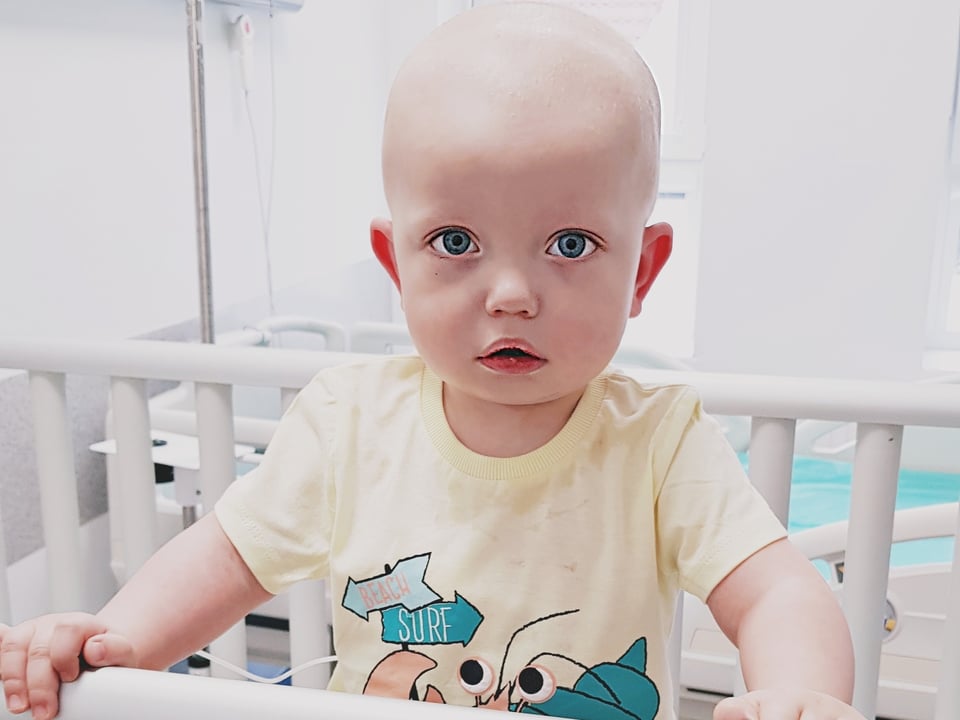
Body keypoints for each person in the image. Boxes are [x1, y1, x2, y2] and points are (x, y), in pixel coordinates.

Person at [0, 4, 866, 720]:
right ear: (396, 264)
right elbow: (223, 558)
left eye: (570, 243)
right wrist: (109, 643)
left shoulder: (661, 444)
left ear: (641, 271)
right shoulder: (348, 422)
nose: (512, 295)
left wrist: (801, 693)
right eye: (456, 241)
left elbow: (775, 592)